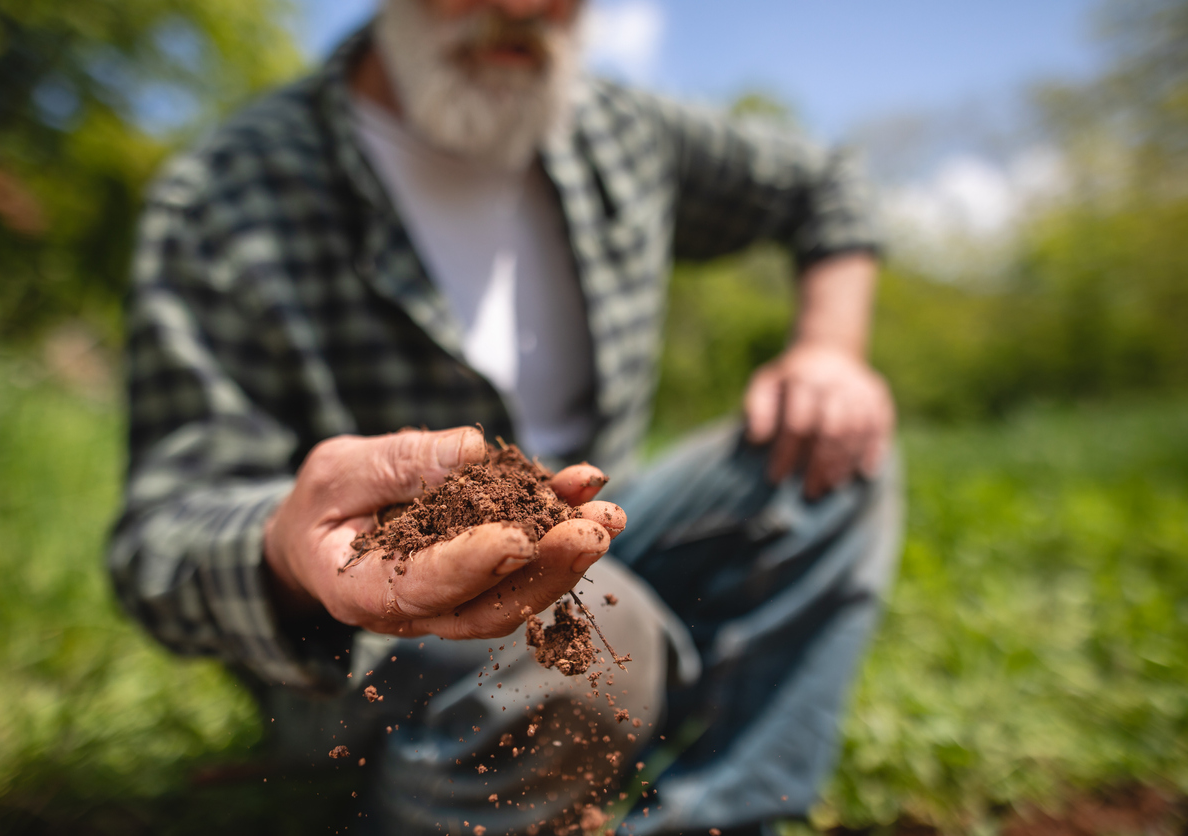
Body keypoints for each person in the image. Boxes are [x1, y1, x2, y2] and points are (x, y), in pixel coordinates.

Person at [109, 0, 902, 833]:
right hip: (362, 637)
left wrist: (829, 349)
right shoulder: (227, 196)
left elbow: (827, 184)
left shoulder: (617, 132)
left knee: (834, 454)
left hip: (605, 534)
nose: (524, 9)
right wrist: (286, 542)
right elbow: (160, 539)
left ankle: (720, 816)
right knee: (583, 635)